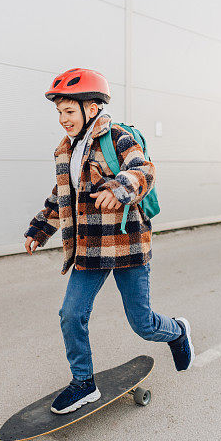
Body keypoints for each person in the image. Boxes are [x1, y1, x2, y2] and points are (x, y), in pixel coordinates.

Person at [23, 67, 193, 414]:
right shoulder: (66, 150)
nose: (62, 119)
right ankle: (83, 383)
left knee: (142, 324)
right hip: (89, 250)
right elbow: (61, 196)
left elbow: (143, 170)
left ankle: (176, 331)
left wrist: (120, 189)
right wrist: (39, 230)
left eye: (68, 111)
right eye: (59, 112)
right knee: (71, 314)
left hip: (128, 245)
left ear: (93, 108)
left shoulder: (117, 137)